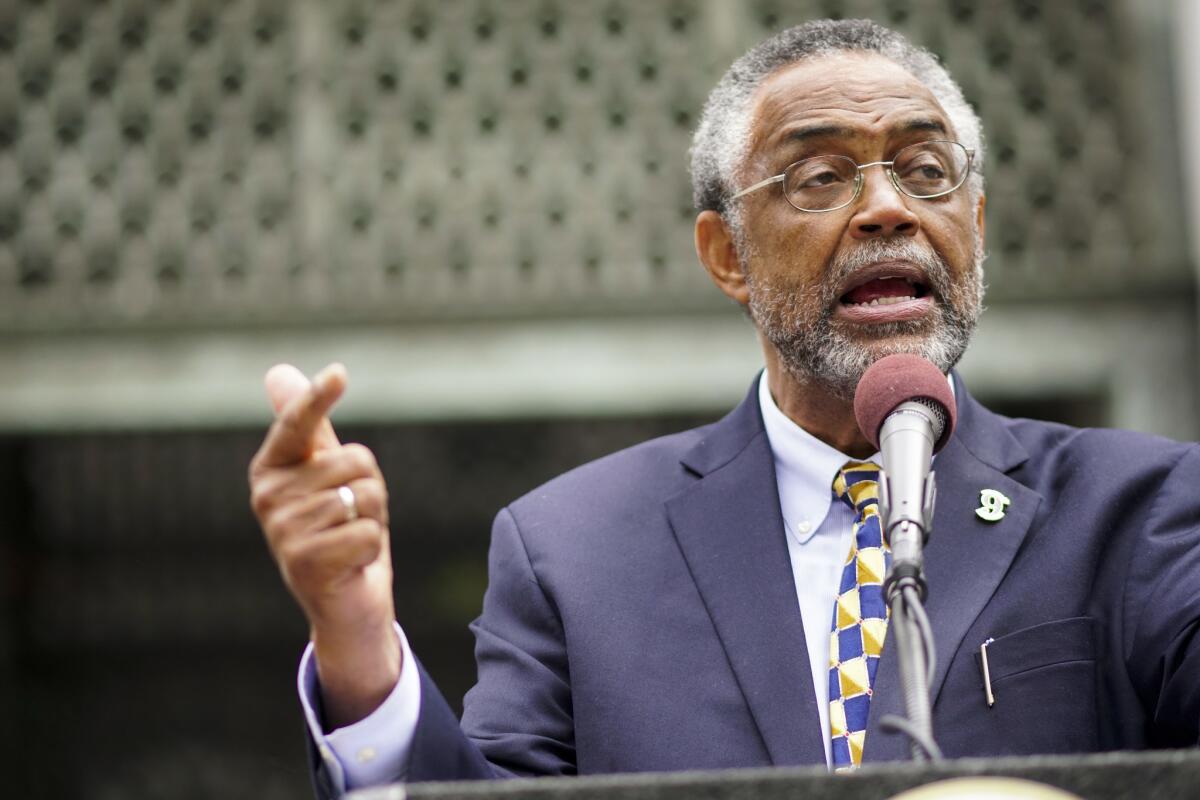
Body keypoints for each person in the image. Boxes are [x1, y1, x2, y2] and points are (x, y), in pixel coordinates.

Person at [248, 18, 1200, 799]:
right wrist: (357, 639)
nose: (887, 209)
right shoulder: (572, 555)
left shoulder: (1139, 508)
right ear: (727, 255)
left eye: (924, 170)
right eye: (823, 177)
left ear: (975, 225)